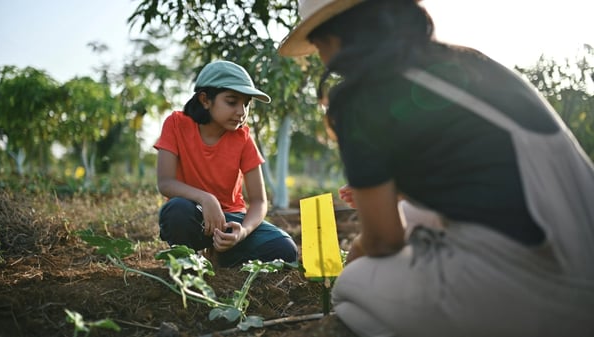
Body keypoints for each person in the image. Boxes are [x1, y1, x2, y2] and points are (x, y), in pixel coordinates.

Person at [279, 0, 594, 336]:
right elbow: (481, 171)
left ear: (336, 35)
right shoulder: (469, 61)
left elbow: (385, 240)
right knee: (416, 216)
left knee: (351, 287)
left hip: (543, 287)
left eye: (317, 43)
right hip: (581, 254)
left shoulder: (361, 96)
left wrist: (356, 253)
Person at [154, 60, 298, 268]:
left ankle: (222, 253)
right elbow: (165, 183)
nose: (242, 111)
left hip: (231, 221)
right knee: (177, 210)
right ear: (205, 100)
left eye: (246, 103)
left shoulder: (243, 138)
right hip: (194, 217)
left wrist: (243, 232)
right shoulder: (176, 124)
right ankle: (189, 260)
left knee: (284, 249)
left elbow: (258, 201)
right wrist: (205, 199)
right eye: (232, 102)